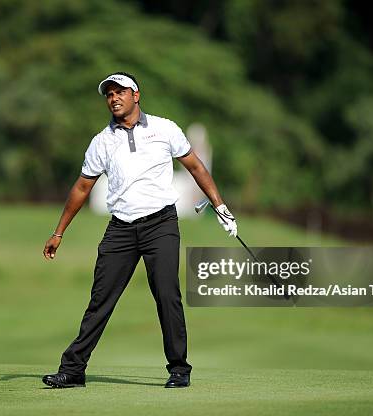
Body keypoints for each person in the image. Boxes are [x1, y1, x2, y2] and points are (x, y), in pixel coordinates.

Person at [42, 72, 237, 389]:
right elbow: (81, 187)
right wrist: (59, 231)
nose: (114, 98)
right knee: (100, 299)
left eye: (120, 92)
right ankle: (74, 370)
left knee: (166, 294)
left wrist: (220, 206)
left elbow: (196, 167)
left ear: (136, 95)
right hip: (120, 229)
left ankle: (179, 369)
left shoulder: (164, 129)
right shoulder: (102, 141)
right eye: (109, 94)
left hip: (161, 224)